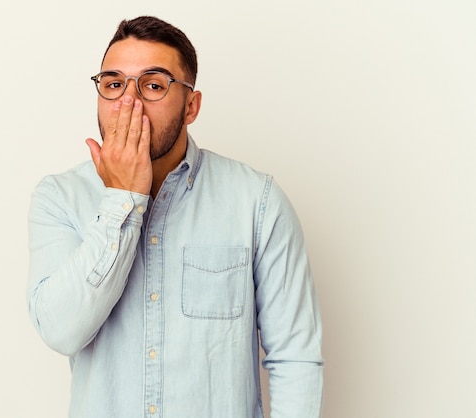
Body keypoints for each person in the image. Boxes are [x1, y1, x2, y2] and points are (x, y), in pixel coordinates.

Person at [27, 15, 323, 418]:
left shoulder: (258, 201)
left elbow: (295, 357)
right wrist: (122, 198)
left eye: (153, 85)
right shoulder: (60, 198)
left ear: (191, 106)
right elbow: (61, 331)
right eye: (114, 84)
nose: (128, 103)